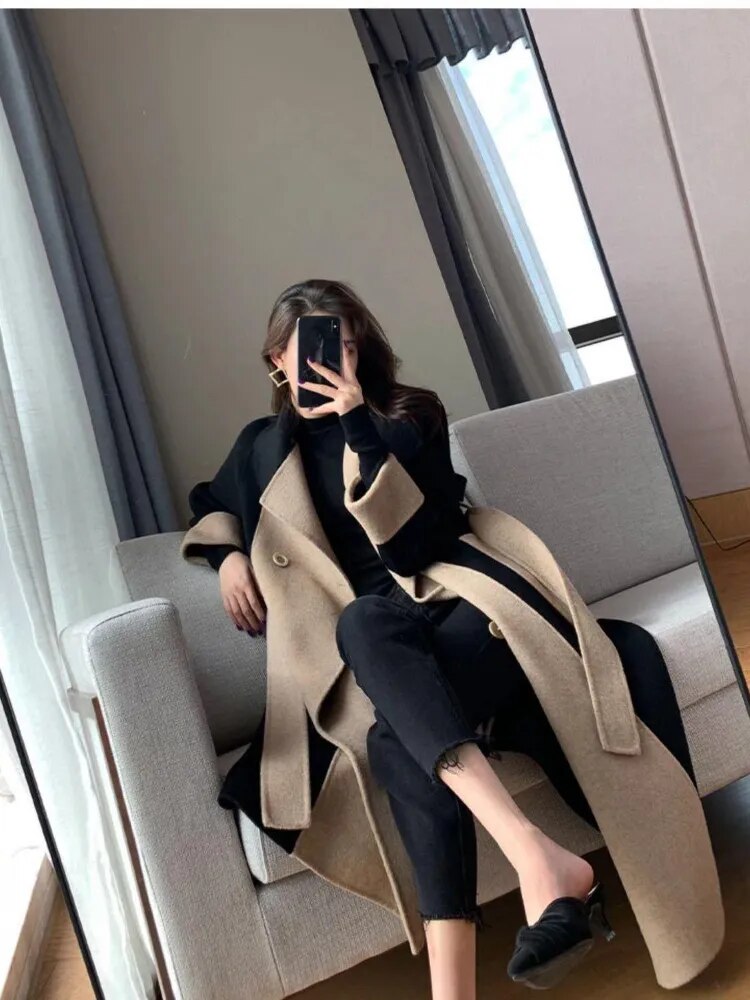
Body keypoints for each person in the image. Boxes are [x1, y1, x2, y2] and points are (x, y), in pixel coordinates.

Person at [185, 279, 699, 997]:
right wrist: (228, 558)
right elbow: (207, 503)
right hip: (385, 650)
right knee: (371, 653)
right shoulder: (261, 450)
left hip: (464, 608)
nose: (333, 361)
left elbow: (413, 547)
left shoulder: (408, 416)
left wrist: (357, 424)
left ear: (362, 349)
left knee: (391, 709)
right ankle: (539, 870)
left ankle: (522, 888)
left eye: (346, 345)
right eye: (311, 351)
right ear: (277, 359)